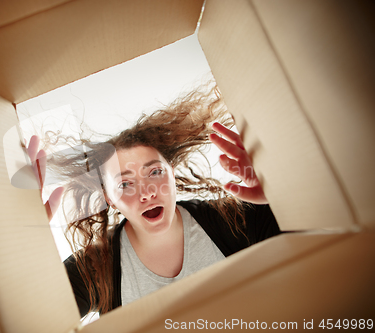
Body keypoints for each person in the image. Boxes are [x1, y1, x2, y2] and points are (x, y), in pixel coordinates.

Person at [26, 85, 281, 318]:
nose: (146, 193)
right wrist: (21, 240)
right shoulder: (95, 269)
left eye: (155, 172)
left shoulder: (232, 221)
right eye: (125, 184)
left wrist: (280, 194)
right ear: (109, 200)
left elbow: (312, 240)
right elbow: (33, 317)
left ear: (173, 174)